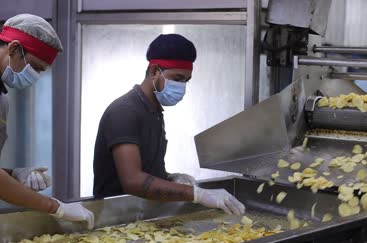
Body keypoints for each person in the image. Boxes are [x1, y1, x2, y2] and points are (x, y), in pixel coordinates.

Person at [93, 34, 245, 215]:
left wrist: (169, 178)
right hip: (115, 219)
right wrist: (197, 194)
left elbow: (145, 170)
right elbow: (133, 181)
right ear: (154, 71)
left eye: (186, 81)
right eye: (177, 78)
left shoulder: (153, 112)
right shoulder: (124, 112)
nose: (182, 87)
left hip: (141, 216)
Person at [0, 14, 94, 228]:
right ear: (14, 49)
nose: (34, 76)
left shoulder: (2, 99)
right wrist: (55, 207)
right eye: (34, 67)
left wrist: (14, 174)